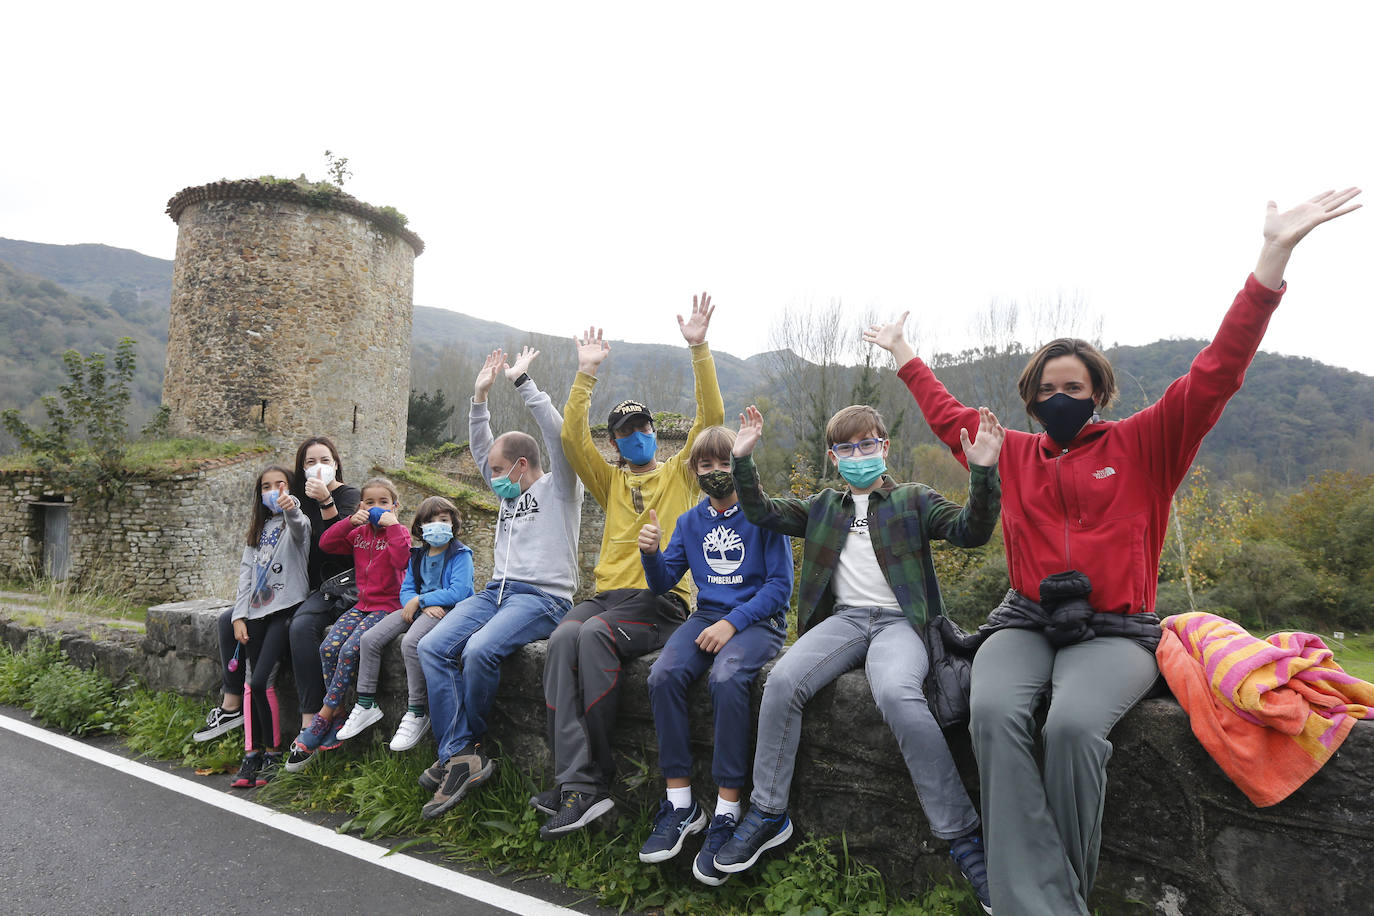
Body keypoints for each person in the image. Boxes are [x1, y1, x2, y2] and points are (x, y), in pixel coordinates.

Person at [864, 187, 1362, 916]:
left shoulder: (1146, 444)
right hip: (1026, 619)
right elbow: (948, 416)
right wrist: (906, 353)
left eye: (1076, 385)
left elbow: (1217, 372)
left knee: (1070, 728)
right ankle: (1040, 903)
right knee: (994, 713)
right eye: (1047, 388)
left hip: (1117, 628)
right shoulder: (1015, 453)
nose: (1061, 396)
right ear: (1030, 400)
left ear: (1099, 393)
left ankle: (1041, 901)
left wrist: (1272, 259)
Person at [715, 403, 1004, 913]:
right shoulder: (825, 505)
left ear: (884, 447)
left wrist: (983, 473)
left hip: (900, 623)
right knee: (781, 682)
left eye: (867, 444)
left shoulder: (913, 499)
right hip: (845, 620)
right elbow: (762, 511)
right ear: (833, 456)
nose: (858, 455)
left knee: (897, 693)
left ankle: (962, 837)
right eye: (847, 448)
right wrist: (742, 458)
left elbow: (971, 531)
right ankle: (767, 812)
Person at [536, 293, 725, 839]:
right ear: (616, 444)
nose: (636, 434)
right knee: (562, 641)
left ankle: (590, 784)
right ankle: (573, 781)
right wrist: (585, 375)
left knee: (593, 636)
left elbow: (711, 421)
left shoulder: (681, 476)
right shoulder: (611, 481)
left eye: (642, 426)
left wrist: (699, 350)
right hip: (603, 597)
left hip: (657, 599)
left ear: (653, 432)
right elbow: (573, 439)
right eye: (624, 432)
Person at [416, 346, 585, 820]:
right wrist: (478, 398)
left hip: (543, 599)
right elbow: (478, 446)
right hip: (497, 592)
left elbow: (557, 435)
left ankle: (458, 753)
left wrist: (523, 383)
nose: (490, 478)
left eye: (497, 470)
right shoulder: (507, 495)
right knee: (433, 648)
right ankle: (463, 754)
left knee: (478, 651)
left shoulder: (560, 488)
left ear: (522, 465)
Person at [635, 425, 793, 886]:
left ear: (741, 466)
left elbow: (780, 588)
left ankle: (728, 808)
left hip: (757, 624)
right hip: (705, 618)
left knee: (726, 679)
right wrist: (650, 554)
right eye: (706, 465)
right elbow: (664, 580)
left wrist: (733, 623)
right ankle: (681, 804)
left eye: (726, 463)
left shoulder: (765, 515)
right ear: (695, 470)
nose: (717, 471)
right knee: (662, 677)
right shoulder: (689, 522)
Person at [194, 436, 360, 745]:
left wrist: (325, 502)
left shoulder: (349, 495)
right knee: (227, 620)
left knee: (300, 628)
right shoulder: (298, 498)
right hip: (300, 587)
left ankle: (312, 718)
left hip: (338, 586)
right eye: (309, 462)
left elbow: (341, 547)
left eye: (325, 460)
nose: (318, 467)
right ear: (300, 469)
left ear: (336, 463)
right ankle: (231, 706)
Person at [286, 476, 410, 771]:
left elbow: (402, 559)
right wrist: (350, 522)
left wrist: (392, 525)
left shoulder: (398, 532)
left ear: (395, 506)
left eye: (384, 502)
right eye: (370, 502)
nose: (376, 507)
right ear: (360, 505)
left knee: (348, 650)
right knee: (329, 647)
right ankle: (339, 710)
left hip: (389, 607)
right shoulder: (360, 533)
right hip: (362, 605)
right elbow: (327, 543)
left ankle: (325, 714)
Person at [334, 496, 473, 751]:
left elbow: (460, 591)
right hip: (418, 608)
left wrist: (422, 600)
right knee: (370, 639)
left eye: (443, 520)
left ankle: (417, 711)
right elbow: (407, 589)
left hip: (445, 612)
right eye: (430, 521)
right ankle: (365, 704)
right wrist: (416, 601)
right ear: (420, 527)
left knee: (410, 643)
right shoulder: (417, 555)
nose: (437, 525)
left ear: (453, 523)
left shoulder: (460, 554)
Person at [226, 466, 311, 787]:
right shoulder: (256, 532)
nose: (273, 491)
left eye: (281, 485)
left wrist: (292, 507)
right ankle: (252, 756)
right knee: (250, 684)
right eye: (266, 486)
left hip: (285, 610)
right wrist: (238, 616)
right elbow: (245, 576)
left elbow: (300, 528)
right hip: (255, 615)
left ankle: (273, 753)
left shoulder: (297, 523)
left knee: (262, 681)